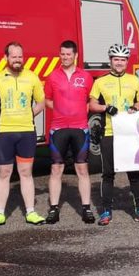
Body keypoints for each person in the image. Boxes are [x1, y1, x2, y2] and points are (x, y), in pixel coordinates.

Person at [0, 42, 46, 226]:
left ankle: (31, 212)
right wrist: (0, 118)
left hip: (26, 132)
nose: (17, 60)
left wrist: (28, 115)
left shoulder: (32, 77)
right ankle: (0, 213)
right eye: (14, 56)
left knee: (26, 172)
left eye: (20, 56)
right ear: (6, 58)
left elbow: (41, 103)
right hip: (3, 133)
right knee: (4, 172)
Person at [89, 43, 139, 226]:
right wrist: (105, 107)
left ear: (127, 62)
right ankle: (106, 211)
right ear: (110, 61)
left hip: (130, 133)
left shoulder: (134, 80)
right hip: (109, 132)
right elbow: (92, 105)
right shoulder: (100, 81)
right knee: (108, 174)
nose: (119, 63)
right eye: (116, 59)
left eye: (122, 60)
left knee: (135, 174)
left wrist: (135, 107)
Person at [44, 40, 95, 225]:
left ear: (75, 56)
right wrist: (60, 110)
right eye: (62, 54)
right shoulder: (52, 76)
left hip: (80, 127)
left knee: (82, 168)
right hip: (58, 128)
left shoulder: (86, 76)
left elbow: (91, 100)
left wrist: (80, 111)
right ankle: (54, 208)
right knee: (56, 168)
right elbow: (48, 100)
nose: (65, 57)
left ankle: (86, 208)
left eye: (68, 54)